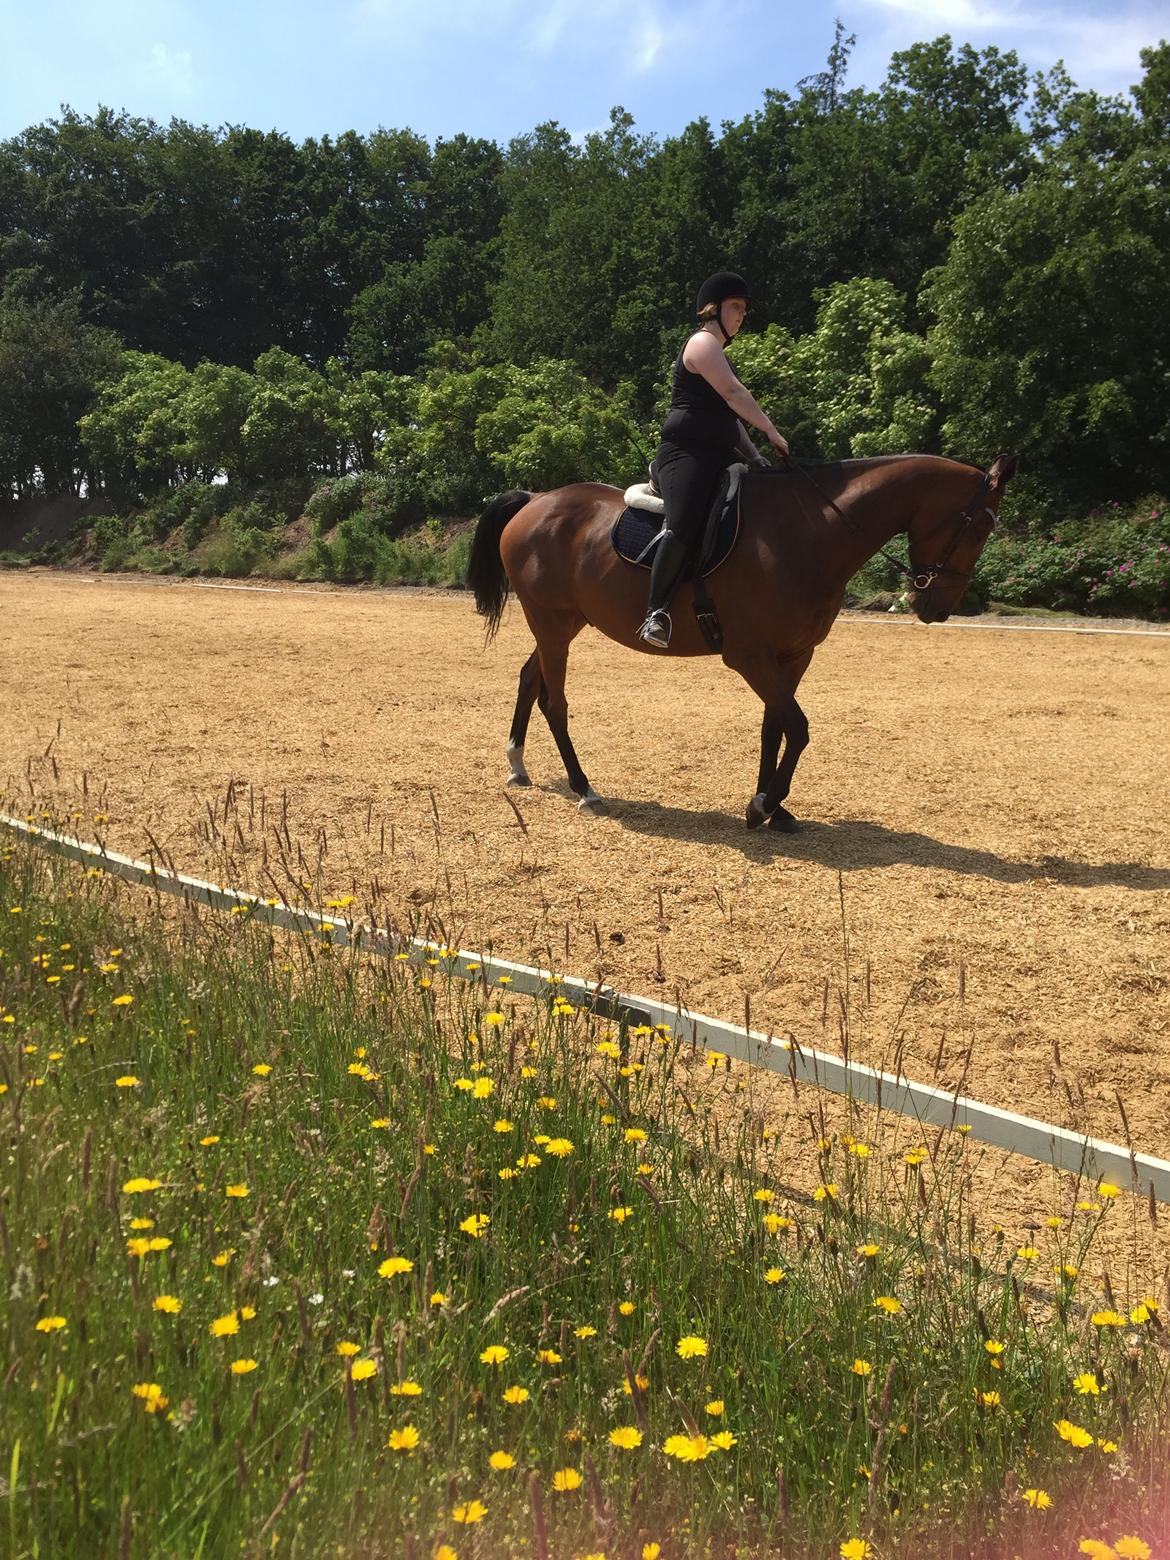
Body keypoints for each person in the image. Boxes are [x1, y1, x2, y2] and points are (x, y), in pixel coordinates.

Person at [638, 271, 790, 648]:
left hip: (718, 455)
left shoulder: (720, 354)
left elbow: (729, 416)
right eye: (735, 306)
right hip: (685, 454)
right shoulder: (702, 344)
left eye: (743, 309)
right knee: (684, 522)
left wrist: (756, 455)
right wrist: (771, 431)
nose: (741, 315)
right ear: (713, 309)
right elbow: (734, 394)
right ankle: (655, 613)